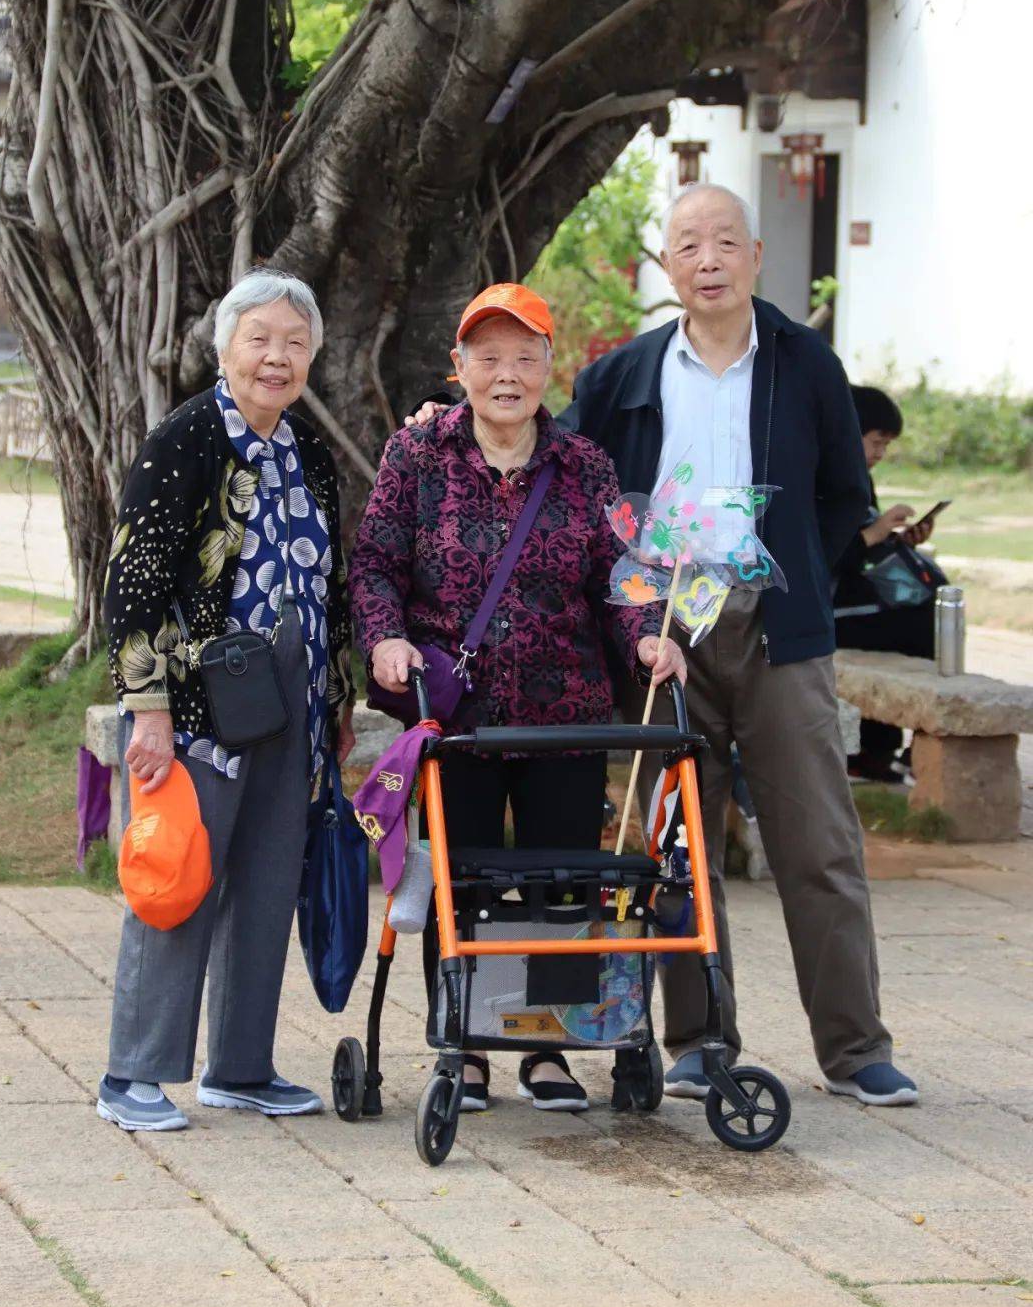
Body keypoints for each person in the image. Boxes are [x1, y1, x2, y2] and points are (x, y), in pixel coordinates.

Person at [408, 186, 919, 1108]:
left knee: (819, 842)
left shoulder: (806, 362)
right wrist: (437, 421)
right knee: (675, 845)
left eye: (725, 242)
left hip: (776, 629)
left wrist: (793, 565)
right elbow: (547, 457)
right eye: (689, 245)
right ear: (668, 266)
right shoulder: (625, 373)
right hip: (661, 633)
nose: (708, 260)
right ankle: (697, 1040)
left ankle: (855, 1048)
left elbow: (847, 494)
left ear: (756, 255)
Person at [350, 283, 685, 1113]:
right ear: (458, 367)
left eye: (525, 358)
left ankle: (546, 1046)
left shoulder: (585, 465)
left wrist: (646, 635)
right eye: (490, 357)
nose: (508, 375)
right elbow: (376, 565)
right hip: (457, 717)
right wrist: (385, 638)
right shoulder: (416, 454)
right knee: (457, 879)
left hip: (564, 714)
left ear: (548, 367)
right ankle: (463, 1047)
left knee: (561, 881)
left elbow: (621, 575)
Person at [97, 272, 355, 1133]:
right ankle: (133, 1074)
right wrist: (148, 708)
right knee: (179, 873)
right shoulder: (184, 440)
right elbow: (133, 583)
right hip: (198, 699)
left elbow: (331, 586)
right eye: (260, 339)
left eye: (295, 343)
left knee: (269, 882)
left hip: (294, 694)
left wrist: (337, 702)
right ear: (224, 349)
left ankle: (240, 1068)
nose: (277, 358)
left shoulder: (308, 448)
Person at [834, 385, 938, 782]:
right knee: (918, 619)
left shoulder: (859, 476)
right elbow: (824, 555)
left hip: (854, 595)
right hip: (828, 605)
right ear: (850, 432)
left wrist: (900, 540)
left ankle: (885, 749)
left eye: (887, 445)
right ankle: (890, 749)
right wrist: (876, 532)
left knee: (929, 599)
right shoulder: (826, 477)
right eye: (877, 442)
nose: (881, 453)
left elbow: (862, 547)